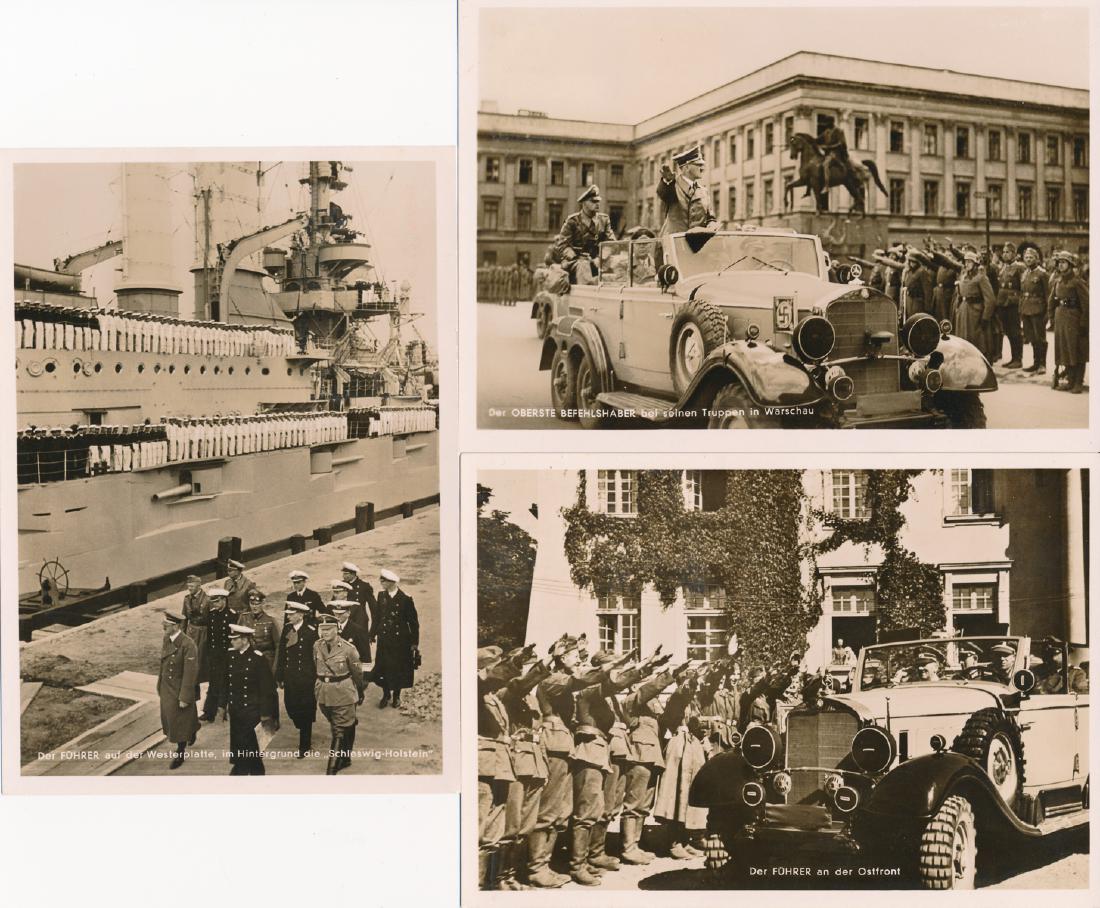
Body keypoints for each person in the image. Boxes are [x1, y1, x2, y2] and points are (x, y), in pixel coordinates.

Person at [224, 623, 278, 776]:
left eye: (235, 639)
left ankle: (254, 773)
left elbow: (267, 689)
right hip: (236, 709)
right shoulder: (231, 655)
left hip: (252, 710)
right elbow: (226, 683)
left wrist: (267, 714)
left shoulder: (258, 659)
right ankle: (240, 768)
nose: (232, 642)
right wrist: (224, 705)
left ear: (245, 640)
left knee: (252, 748)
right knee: (238, 743)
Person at [314, 614, 364, 774]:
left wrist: (360, 691)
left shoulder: (349, 649)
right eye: (322, 629)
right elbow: (316, 666)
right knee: (341, 724)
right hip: (322, 692)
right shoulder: (317, 645)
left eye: (328, 629)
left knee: (339, 730)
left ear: (337, 629)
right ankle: (346, 756)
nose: (325, 632)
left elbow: (357, 673)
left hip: (343, 691)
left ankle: (332, 769)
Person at [274, 600, 318, 759]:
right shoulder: (287, 629)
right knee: (291, 707)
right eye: (288, 614)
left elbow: (316, 656)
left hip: (307, 678)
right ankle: (300, 724)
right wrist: (279, 675)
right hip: (290, 676)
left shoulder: (311, 631)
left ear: (300, 615)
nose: (289, 617)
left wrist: (316, 676)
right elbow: (282, 654)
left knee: (306, 710)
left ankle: (304, 745)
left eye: (292, 615)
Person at [369, 569, 419, 708]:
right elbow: (377, 617)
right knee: (383, 668)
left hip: (400, 641)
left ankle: (396, 696)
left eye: (383, 581)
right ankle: (386, 695)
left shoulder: (405, 599)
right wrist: (372, 633)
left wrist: (414, 643)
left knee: (398, 668)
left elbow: (413, 623)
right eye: (381, 580)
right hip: (384, 639)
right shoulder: (381, 596)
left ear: (391, 582)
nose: (381, 583)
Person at [157, 611, 200, 770]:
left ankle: (180, 752)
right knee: (171, 717)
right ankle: (193, 727)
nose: (163, 626)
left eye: (166, 625)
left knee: (179, 721)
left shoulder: (188, 645)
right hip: (167, 687)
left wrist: (185, 697)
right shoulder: (167, 639)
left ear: (175, 626)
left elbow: (190, 674)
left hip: (179, 687)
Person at [552, 185, 615, 285]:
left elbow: (610, 243)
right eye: (593, 201)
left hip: (598, 261)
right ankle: (587, 296)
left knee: (617, 264)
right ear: (584, 203)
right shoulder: (572, 221)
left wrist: (601, 258)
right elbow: (563, 245)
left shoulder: (604, 220)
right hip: (575, 262)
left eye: (598, 201)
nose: (597, 203)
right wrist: (575, 256)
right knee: (583, 266)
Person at [1047, 250, 1089, 394]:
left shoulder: (1077, 282)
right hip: (1060, 319)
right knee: (1064, 350)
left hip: (1074, 319)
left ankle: (1078, 382)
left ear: (1070, 264)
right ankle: (1070, 381)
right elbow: (1051, 300)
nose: (1061, 265)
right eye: (1059, 263)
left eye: (1064, 262)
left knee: (1076, 350)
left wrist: (1084, 323)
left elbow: (1087, 304)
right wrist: (1051, 317)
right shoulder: (1057, 281)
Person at [656, 145, 718, 236]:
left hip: (697, 245)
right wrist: (666, 182)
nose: (702, 168)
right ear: (687, 167)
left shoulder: (704, 191)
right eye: (698, 165)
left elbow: (710, 218)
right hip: (675, 243)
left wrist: (712, 225)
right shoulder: (673, 186)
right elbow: (664, 194)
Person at [200, 587, 238, 722]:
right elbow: (210, 637)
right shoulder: (212, 614)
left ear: (224, 600)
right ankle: (209, 711)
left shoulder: (233, 615)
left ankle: (223, 710)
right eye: (213, 602)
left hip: (226, 655)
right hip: (214, 655)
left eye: (217, 602)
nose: (214, 605)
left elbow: (234, 638)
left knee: (226, 683)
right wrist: (209, 654)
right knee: (214, 682)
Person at [953, 251, 998, 361]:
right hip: (964, 310)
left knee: (977, 339)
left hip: (975, 312)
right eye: (966, 261)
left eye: (970, 261)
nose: (967, 264)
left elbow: (990, 299)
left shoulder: (981, 277)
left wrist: (985, 317)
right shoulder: (963, 276)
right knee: (963, 336)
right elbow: (960, 292)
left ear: (975, 263)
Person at [1019, 243, 1050, 374]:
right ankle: (1035, 362)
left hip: (1038, 310)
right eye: (1026, 257)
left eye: (1031, 257)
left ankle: (1042, 364)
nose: (1028, 259)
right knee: (1031, 337)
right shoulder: (1025, 273)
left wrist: (1047, 313)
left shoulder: (1042, 274)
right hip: (1026, 309)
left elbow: (1048, 294)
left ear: (1037, 259)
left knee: (1040, 338)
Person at [997, 241, 1026, 368]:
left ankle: (1018, 359)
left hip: (1013, 304)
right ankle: (1013, 358)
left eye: (1007, 252)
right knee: (1008, 331)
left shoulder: (1020, 267)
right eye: (1003, 252)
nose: (1005, 254)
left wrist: (1015, 299)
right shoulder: (1004, 267)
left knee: (1015, 331)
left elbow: (1024, 286)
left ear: (1014, 254)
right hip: (1003, 304)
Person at [180, 575, 210, 700]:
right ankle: (192, 691)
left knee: (200, 661)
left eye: (192, 586)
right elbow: (184, 618)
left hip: (203, 633)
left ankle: (198, 686)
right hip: (190, 631)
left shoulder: (207, 600)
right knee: (189, 659)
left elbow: (211, 620)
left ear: (199, 585)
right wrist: (182, 635)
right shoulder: (187, 599)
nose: (189, 588)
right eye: (188, 586)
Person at [237, 589, 280, 672]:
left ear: (262, 603)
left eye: (257, 604)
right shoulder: (243, 618)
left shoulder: (270, 621)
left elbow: (278, 645)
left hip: (266, 661)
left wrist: (275, 667)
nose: (254, 607)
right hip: (247, 660)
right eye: (252, 604)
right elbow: (237, 640)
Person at [331, 599, 372, 663]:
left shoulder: (358, 630)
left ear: (348, 613)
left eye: (341, 614)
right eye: (336, 613)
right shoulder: (331, 629)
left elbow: (365, 656)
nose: (338, 616)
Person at [341, 561, 376, 632]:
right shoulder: (341, 585)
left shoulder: (364, 586)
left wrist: (373, 629)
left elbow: (374, 608)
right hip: (345, 620)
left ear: (353, 574)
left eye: (346, 574)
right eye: (343, 574)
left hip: (360, 621)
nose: (343, 576)